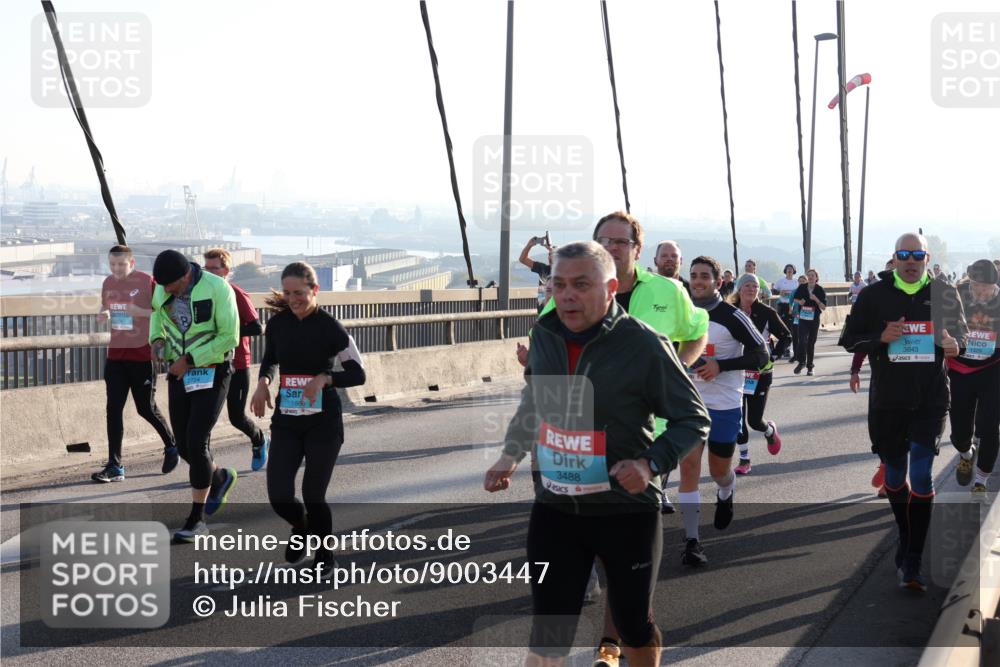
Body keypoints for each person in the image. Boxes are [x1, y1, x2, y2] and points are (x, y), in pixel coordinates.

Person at [484, 241, 710, 667]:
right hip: (556, 506)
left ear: (609, 288)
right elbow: (536, 401)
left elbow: (693, 419)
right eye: (559, 284)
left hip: (625, 510)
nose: (567, 295)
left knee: (632, 625)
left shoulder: (644, 345)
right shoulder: (546, 334)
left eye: (581, 285)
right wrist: (510, 456)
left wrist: (649, 464)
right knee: (550, 628)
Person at [841, 232, 967, 590]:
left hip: (930, 399)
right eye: (904, 255)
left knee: (923, 475)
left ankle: (912, 560)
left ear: (927, 259)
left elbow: (961, 334)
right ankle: (905, 532)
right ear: (894, 259)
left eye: (917, 255)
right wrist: (880, 338)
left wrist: (954, 343)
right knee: (895, 477)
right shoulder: (873, 295)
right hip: (888, 401)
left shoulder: (944, 293)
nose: (911, 261)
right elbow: (850, 339)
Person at [251, 262, 366, 570]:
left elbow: (358, 374)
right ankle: (300, 526)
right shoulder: (278, 324)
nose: (293, 299)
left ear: (314, 290)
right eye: (287, 293)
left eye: (299, 293)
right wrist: (262, 384)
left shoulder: (331, 327)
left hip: (323, 423)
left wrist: (325, 378)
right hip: (287, 421)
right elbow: (271, 359)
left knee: (313, 494)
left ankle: (325, 554)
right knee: (279, 496)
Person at [677, 261, 768, 566]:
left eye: (705, 276)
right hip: (689, 405)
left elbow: (762, 354)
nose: (698, 281)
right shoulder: (681, 314)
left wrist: (720, 366)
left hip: (725, 405)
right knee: (689, 468)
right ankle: (692, 541)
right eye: (694, 276)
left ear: (717, 282)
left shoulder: (733, 316)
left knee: (718, 472)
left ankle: (726, 491)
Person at [149, 249, 240, 543]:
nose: (165, 291)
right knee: (186, 447)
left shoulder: (218, 288)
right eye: (161, 285)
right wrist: (157, 340)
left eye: (170, 285)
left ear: (186, 275)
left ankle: (196, 520)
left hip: (212, 371)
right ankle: (219, 477)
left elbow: (229, 337)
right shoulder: (163, 290)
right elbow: (156, 315)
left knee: (198, 440)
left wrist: (190, 359)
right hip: (179, 375)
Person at [91, 245, 177, 482]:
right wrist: (103, 314)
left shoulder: (147, 281)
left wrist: (138, 310)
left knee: (145, 408)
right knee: (113, 409)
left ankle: (172, 445)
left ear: (132, 263)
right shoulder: (108, 283)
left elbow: (164, 312)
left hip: (142, 355)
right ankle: (115, 466)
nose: (116, 269)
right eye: (112, 264)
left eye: (121, 264)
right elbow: (106, 306)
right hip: (116, 355)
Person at [203, 248, 270, 471]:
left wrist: (226, 331)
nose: (210, 272)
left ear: (226, 270)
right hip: (210, 363)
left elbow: (256, 327)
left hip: (238, 364)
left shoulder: (235, 293)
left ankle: (259, 439)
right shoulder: (201, 293)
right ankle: (207, 465)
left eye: (215, 268)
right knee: (205, 419)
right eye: (207, 268)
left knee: (236, 417)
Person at [948, 259, 1000, 495]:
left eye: (986, 288)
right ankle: (966, 453)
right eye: (976, 286)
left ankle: (981, 481)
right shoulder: (955, 295)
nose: (980, 292)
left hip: (992, 370)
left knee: (989, 428)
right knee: (959, 431)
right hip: (960, 369)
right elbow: (939, 326)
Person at [732, 274, 791, 474]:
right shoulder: (730, 312)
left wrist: (771, 357)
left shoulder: (766, 312)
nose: (751, 289)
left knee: (754, 421)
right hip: (735, 373)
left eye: (755, 286)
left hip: (760, 374)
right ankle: (744, 460)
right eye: (747, 285)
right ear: (739, 289)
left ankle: (769, 431)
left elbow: (786, 337)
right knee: (738, 420)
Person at [792, 269, 827, 375]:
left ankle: (810, 366)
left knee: (810, 343)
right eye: (809, 275)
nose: (811, 277)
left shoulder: (820, 290)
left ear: (816, 277)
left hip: (814, 319)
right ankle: (802, 362)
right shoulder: (802, 287)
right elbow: (795, 299)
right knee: (802, 340)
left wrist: (816, 299)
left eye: (813, 275)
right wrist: (799, 301)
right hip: (803, 318)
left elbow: (824, 307)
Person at [519, 234, 555, 310]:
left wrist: (552, 250)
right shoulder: (543, 269)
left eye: (552, 255)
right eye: (549, 254)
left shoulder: (564, 273)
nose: (550, 256)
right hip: (542, 311)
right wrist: (529, 245)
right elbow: (522, 259)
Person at [773, 264, 799, 357]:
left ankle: (788, 347)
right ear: (785, 271)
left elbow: (801, 292)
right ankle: (784, 347)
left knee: (792, 327)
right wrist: (781, 292)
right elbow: (773, 291)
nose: (789, 271)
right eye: (787, 269)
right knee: (783, 327)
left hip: (793, 306)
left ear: (794, 271)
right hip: (783, 306)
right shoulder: (781, 281)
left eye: (791, 270)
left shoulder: (796, 282)